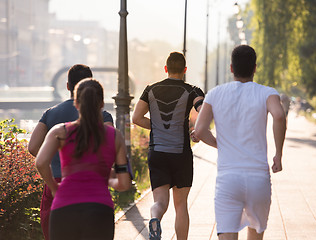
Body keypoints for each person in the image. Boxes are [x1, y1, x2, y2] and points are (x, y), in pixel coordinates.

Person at [193, 45, 286, 240]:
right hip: (258, 178)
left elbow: (200, 130)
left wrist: (221, 144)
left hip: (228, 178)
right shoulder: (267, 93)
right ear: (255, 68)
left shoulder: (215, 94)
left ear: (231, 68)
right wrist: (278, 153)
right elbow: (278, 115)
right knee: (256, 233)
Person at [35, 78, 132, 240]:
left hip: (63, 208)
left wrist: (54, 187)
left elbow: (40, 162)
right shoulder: (115, 136)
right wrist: (108, 179)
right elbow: (124, 184)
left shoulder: (60, 132)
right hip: (100, 210)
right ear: (101, 104)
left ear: (76, 104)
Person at [132, 52, 204, 240]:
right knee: (181, 206)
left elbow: (136, 118)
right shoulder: (193, 90)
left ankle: (155, 218)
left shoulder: (150, 90)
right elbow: (202, 110)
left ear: (166, 69)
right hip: (181, 154)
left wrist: (155, 127)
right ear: (184, 70)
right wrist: (196, 129)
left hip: (157, 153)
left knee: (160, 202)